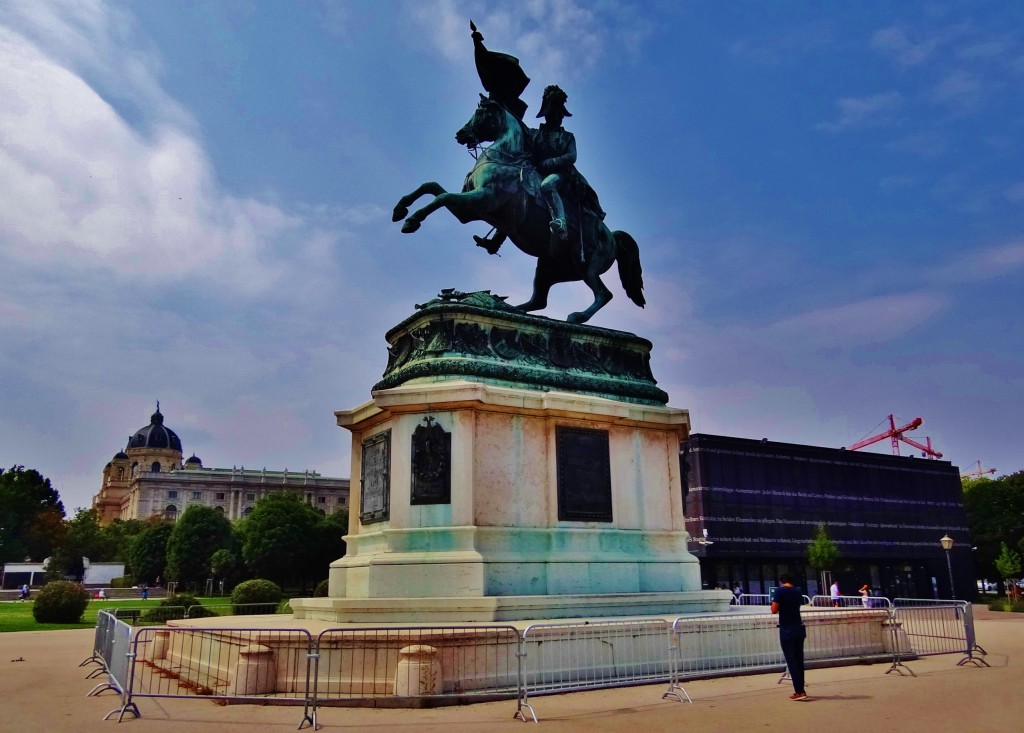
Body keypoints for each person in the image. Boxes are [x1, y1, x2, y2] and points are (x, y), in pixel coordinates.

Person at [532, 85, 605, 253]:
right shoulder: (536, 134)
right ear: (547, 113)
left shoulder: (567, 137)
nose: (558, 117)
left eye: (560, 114)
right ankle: (497, 238)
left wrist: (550, 162)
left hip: (561, 175)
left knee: (547, 185)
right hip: (536, 171)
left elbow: (571, 156)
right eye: (554, 112)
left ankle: (561, 223)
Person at [771, 572, 808, 701]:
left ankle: (799, 691)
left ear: (782, 581)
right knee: (799, 660)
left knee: (791, 660)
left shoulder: (779, 591)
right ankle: (801, 688)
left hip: (787, 629)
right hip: (799, 627)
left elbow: (774, 610)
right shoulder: (798, 592)